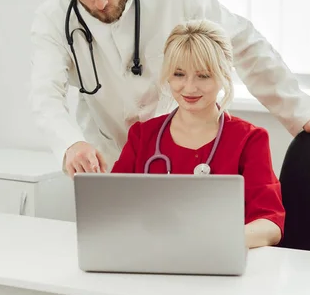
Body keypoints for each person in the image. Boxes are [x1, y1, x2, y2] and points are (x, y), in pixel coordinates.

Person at [29, 0, 310, 178]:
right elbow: (46, 94)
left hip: (178, 148)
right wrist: (71, 144)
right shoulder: (53, 17)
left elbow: (244, 44)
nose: (100, 1)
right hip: (106, 157)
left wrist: (301, 113)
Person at [111, 20, 284, 249]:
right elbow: (112, 209)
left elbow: (270, 224)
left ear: (223, 75)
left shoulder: (249, 140)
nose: (190, 88)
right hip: (152, 257)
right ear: (168, 76)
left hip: (219, 261)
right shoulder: (143, 136)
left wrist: (210, 242)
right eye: (179, 74)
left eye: (203, 76)